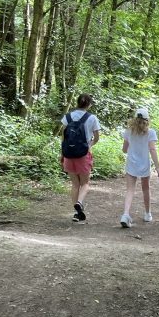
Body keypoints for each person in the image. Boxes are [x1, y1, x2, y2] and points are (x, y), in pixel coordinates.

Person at [120, 107, 159, 227]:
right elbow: (152, 149)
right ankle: (147, 213)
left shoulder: (128, 131)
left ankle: (125, 214)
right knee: (146, 189)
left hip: (131, 164)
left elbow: (124, 149)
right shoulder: (151, 132)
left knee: (130, 190)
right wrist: (158, 168)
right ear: (147, 120)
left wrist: (130, 148)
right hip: (144, 164)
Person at [61, 93, 101, 222]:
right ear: (89, 104)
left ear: (77, 103)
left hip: (68, 154)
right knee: (85, 183)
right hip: (83, 154)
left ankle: (76, 213)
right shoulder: (92, 118)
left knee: (74, 184)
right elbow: (97, 137)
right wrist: (89, 145)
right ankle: (79, 202)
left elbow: (63, 137)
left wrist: (62, 154)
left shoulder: (67, 117)